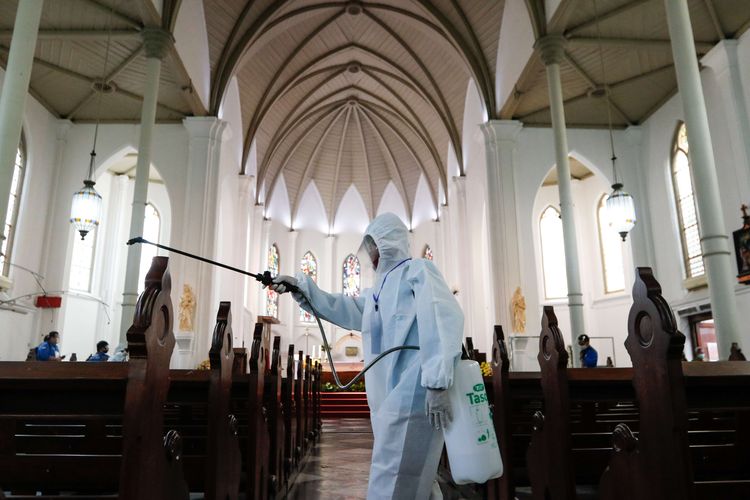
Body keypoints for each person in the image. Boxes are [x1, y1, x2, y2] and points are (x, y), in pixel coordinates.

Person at [268, 213, 463, 499]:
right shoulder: (376, 292)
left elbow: (443, 317)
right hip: (386, 398)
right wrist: (302, 288)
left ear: (389, 243)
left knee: (393, 477)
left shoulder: (418, 270)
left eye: (375, 246)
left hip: (416, 389)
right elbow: (343, 307)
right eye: (368, 247)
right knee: (414, 477)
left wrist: (437, 381)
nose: (371, 255)